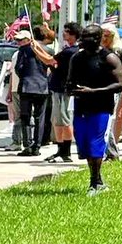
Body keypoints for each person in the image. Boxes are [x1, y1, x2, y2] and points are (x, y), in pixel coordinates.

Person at [66, 23, 122, 195]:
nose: (83, 40)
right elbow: (69, 80)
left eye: (87, 37)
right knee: (83, 144)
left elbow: (121, 84)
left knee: (95, 144)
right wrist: (70, 88)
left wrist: (95, 92)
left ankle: (96, 182)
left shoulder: (109, 58)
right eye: (82, 37)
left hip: (101, 108)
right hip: (81, 106)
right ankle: (95, 180)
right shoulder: (77, 58)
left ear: (98, 39)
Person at [31, 22, 80, 164]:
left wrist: (35, 49)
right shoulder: (69, 50)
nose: (63, 34)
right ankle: (60, 150)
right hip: (58, 88)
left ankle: (66, 151)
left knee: (64, 121)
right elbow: (53, 61)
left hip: (63, 89)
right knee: (57, 121)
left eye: (66, 31)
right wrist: (38, 48)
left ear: (73, 34)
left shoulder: (71, 51)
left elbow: (49, 60)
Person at [10, 29, 50, 156]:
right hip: (42, 87)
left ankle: (28, 145)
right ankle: (36, 146)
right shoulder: (46, 49)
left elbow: (18, 69)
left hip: (27, 87)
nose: (18, 42)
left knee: (26, 117)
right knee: (39, 118)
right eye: (17, 40)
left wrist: (24, 76)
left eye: (21, 40)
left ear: (29, 39)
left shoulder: (23, 51)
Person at [101, 24, 122, 157]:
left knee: (108, 119)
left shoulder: (119, 51)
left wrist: (111, 72)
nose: (104, 38)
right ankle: (109, 151)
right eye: (102, 35)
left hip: (114, 88)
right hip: (100, 88)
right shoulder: (99, 51)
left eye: (107, 36)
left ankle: (111, 152)